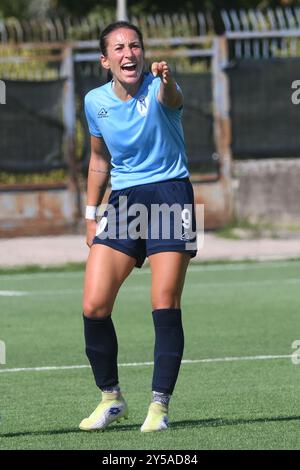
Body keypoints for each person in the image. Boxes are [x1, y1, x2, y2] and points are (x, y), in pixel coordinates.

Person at [80, 21, 197, 433]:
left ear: (143, 53)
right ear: (105, 59)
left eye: (134, 46)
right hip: (124, 203)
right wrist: (91, 214)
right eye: (119, 48)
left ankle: (159, 406)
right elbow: (98, 161)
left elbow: (173, 97)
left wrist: (166, 80)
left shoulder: (160, 87)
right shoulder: (94, 101)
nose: (128, 53)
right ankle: (111, 399)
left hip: (170, 195)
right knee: (94, 305)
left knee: (164, 303)